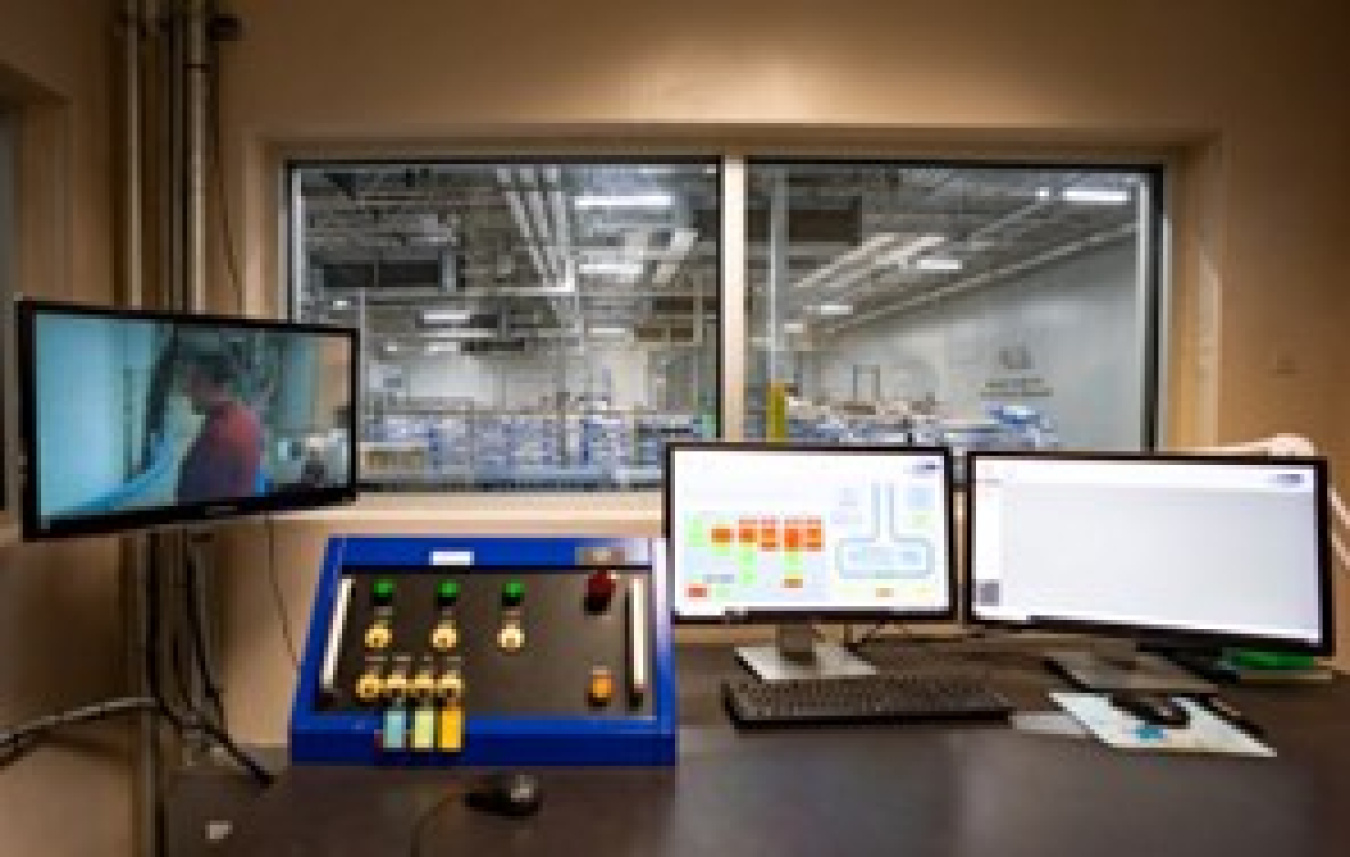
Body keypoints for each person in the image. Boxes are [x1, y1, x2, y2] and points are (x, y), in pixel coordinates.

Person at [176, 350, 264, 503]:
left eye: (195, 382)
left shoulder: (222, 436)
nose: (187, 390)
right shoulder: (245, 418)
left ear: (219, 386)